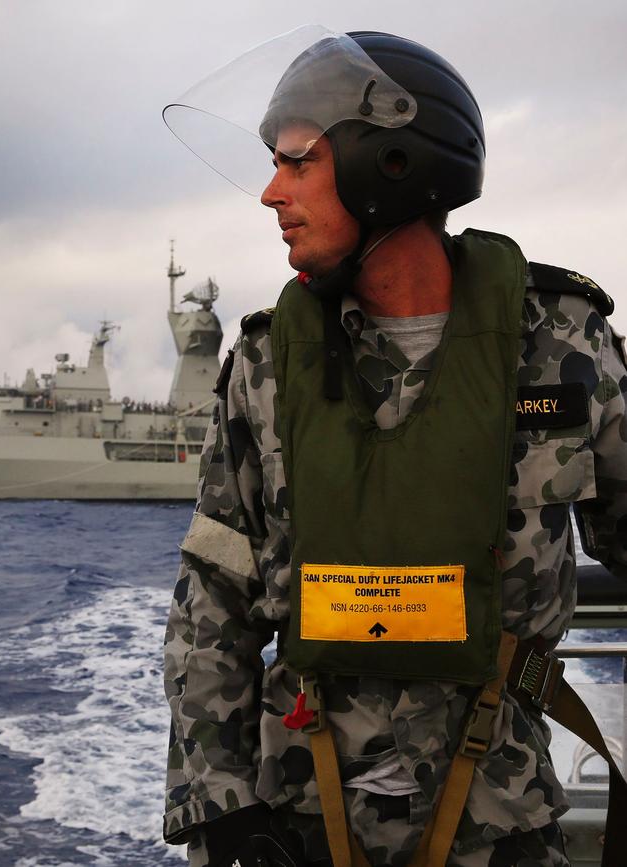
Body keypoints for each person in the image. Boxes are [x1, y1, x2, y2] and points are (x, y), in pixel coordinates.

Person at [162, 28, 627, 867]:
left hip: (501, 821)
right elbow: (212, 603)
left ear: (391, 164)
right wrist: (220, 802)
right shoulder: (267, 364)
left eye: (297, 161)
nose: (271, 192)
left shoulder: (564, 343)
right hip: (296, 821)